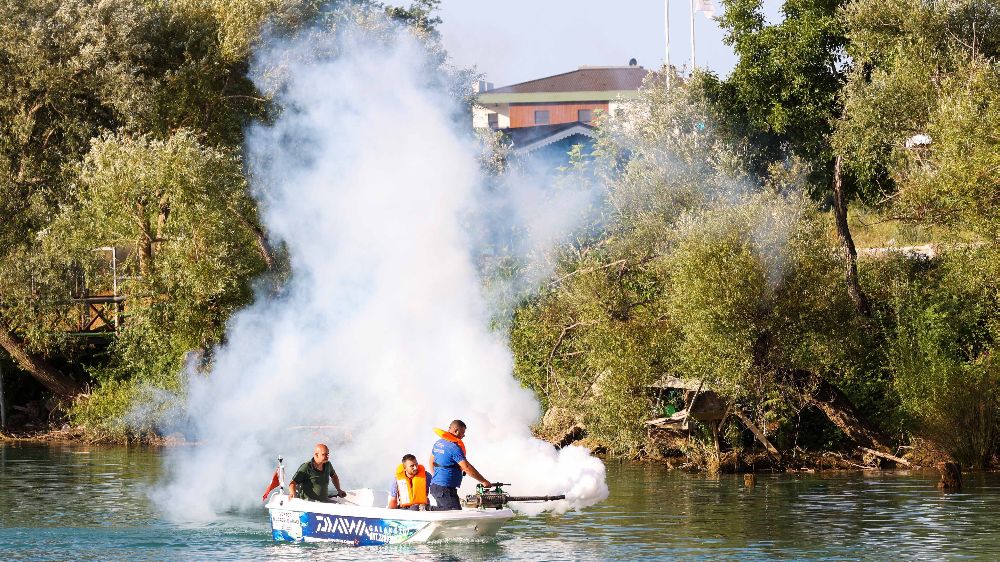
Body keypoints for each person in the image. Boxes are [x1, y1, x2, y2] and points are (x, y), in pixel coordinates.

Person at [427, 419, 491, 510]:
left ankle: (428, 510)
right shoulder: (453, 447)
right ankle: (427, 509)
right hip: (444, 489)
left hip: (437, 486)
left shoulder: (439, 443)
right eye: (462, 432)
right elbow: (467, 467)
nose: (464, 435)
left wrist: (436, 477)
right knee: (453, 512)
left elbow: (431, 461)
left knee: (452, 513)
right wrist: (483, 481)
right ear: (456, 431)